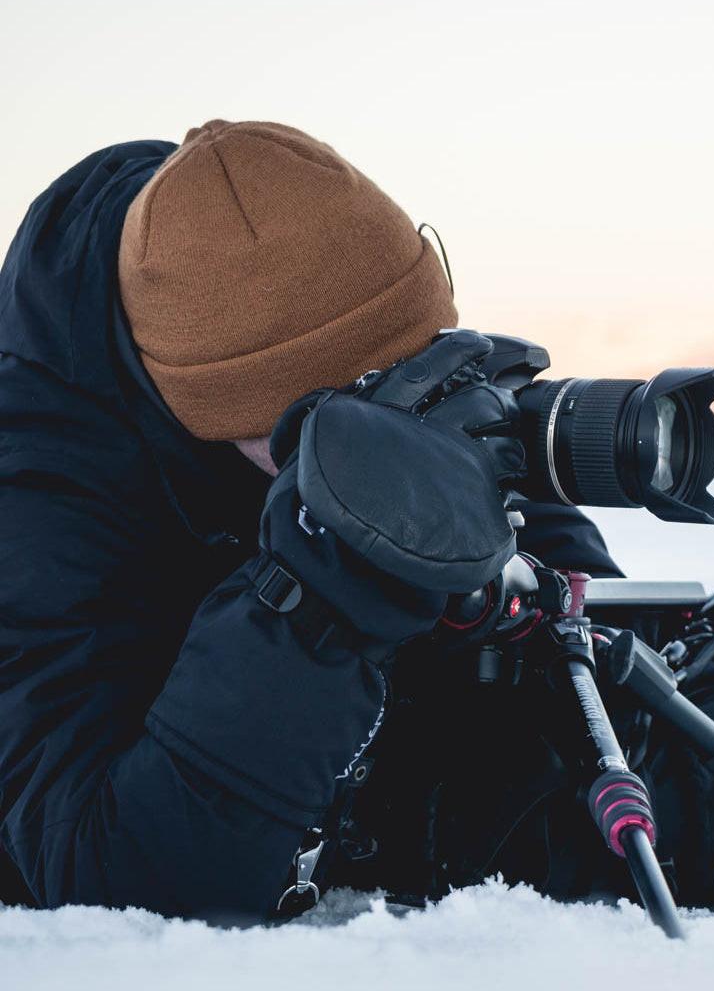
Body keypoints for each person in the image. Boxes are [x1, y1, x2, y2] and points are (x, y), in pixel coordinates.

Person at [0, 120, 620, 922]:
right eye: (366, 404)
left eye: (424, 371)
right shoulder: (39, 499)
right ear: (229, 414)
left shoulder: (286, 277)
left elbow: (552, 572)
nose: (403, 420)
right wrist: (320, 594)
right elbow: (113, 883)